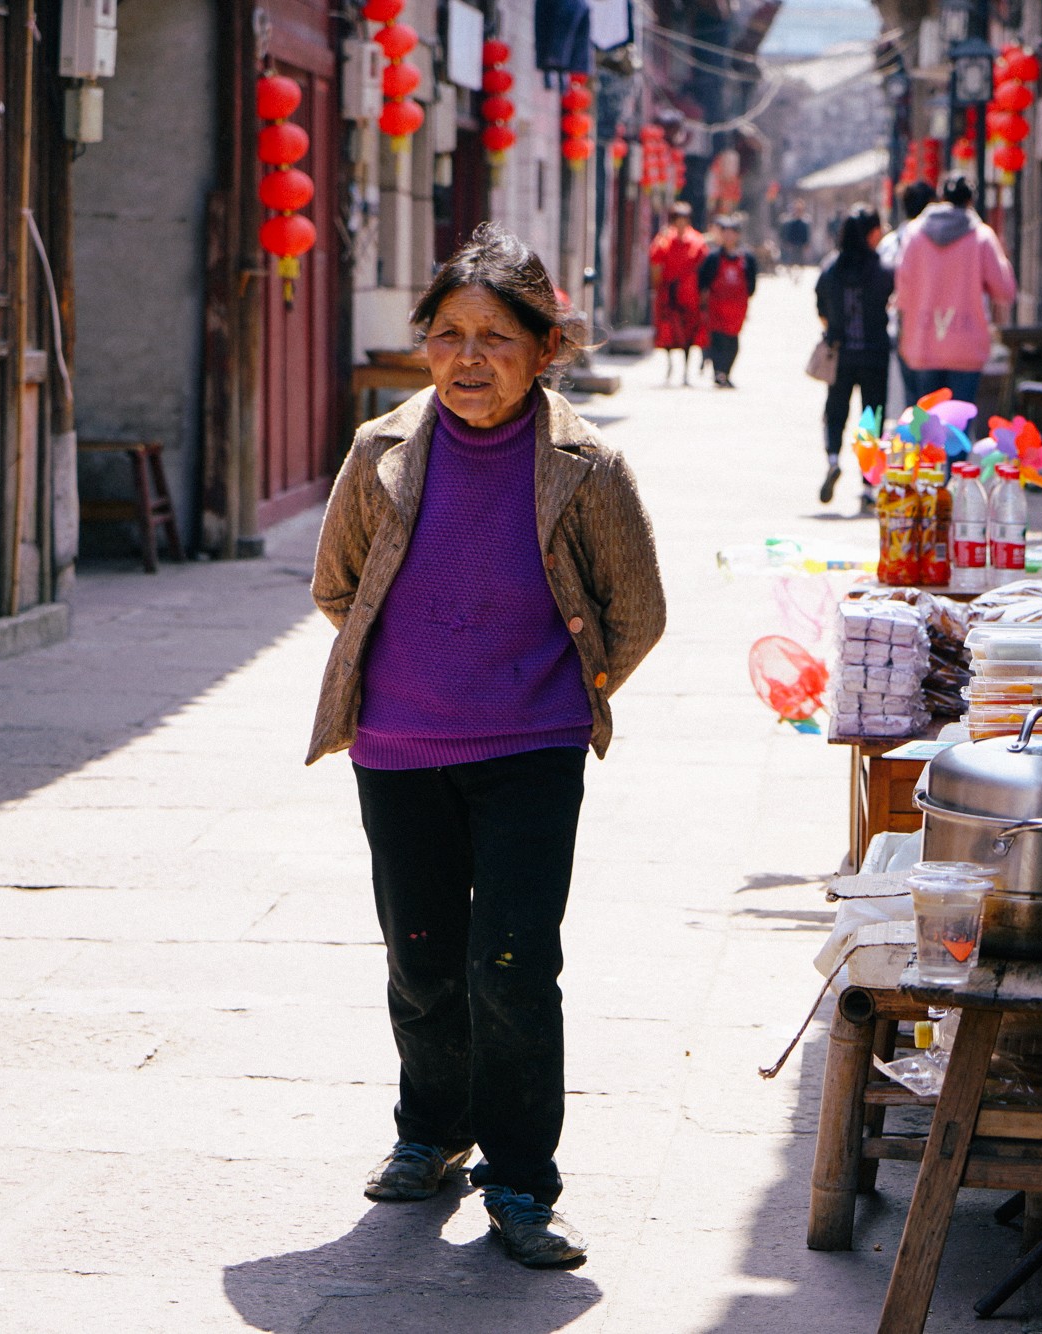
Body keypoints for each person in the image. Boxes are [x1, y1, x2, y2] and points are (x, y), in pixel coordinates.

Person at [307, 223, 667, 1268]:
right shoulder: (378, 452)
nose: (469, 359)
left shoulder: (585, 466)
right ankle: (431, 1129)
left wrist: (550, 691)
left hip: (531, 752)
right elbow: (338, 587)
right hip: (397, 746)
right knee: (419, 955)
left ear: (544, 349)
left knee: (511, 962)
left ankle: (520, 1178)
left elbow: (634, 610)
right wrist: (421, 676)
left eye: (496, 339)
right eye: (449, 335)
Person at [893, 175, 1016, 403]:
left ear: (941, 198)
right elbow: (1005, 291)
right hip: (966, 345)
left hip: (923, 341)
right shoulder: (982, 236)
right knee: (958, 430)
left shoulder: (914, 234)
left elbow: (902, 293)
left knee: (926, 430)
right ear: (971, 201)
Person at [814, 205, 895, 506]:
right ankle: (868, 485)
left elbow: (821, 306)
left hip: (841, 354)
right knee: (871, 418)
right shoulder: (883, 270)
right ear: (870, 234)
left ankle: (833, 459)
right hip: (874, 354)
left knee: (836, 411)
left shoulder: (832, 270)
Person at [877, 180, 936, 407]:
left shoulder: (891, 242)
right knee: (932, 402)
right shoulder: (941, 241)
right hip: (936, 327)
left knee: (912, 401)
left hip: (903, 327)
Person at [649, 202, 708, 384]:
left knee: (688, 333)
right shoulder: (664, 239)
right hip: (669, 294)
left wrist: (703, 295)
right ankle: (669, 364)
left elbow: (703, 269)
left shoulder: (697, 241)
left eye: (684, 220)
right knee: (668, 332)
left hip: (690, 295)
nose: (681, 224)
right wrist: (658, 288)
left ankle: (686, 369)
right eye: (677, 220)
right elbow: (656, 265)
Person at [698, 213, 758, 388]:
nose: (729, 236)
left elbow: (752, 283)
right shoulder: (713, 258)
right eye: (726, 232)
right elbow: (703, 281)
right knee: (717, 339)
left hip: (737, 309)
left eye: (732, 232)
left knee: (732, 341)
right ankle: (718, 373)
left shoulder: (747, 258)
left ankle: (726, 371)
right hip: (716, 307)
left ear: (737, 235)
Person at [779, 203, 811, 270]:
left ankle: (800, 272)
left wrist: (806, 244)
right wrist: (788, 242)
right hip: (793, 243)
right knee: (792, 259)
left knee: (801, 260)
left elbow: (806, 234)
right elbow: (789, 233)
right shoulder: (790, 223)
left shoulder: (804, 223)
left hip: (801, 243)